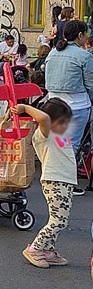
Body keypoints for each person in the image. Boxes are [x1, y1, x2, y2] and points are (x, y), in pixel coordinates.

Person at [12, 100, 76, 268]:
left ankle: (47, 250)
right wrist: (25, 108)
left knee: (59, 219)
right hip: (55, 181)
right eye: (62, 121)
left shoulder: (58, 134)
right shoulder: (42, 134)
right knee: (58, 221)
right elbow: (45, 119)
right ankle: (35, 248)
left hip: (65, 181)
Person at [44, 20, 93, 182]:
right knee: (71, 147)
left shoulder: (53, 53)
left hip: (52, 104)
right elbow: (90, 84)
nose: (88, 37)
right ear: (80, 35)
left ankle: (53, 177)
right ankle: (66, 182)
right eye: (87, 34)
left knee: (56, 144)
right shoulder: (84, 55)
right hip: (76, 106)